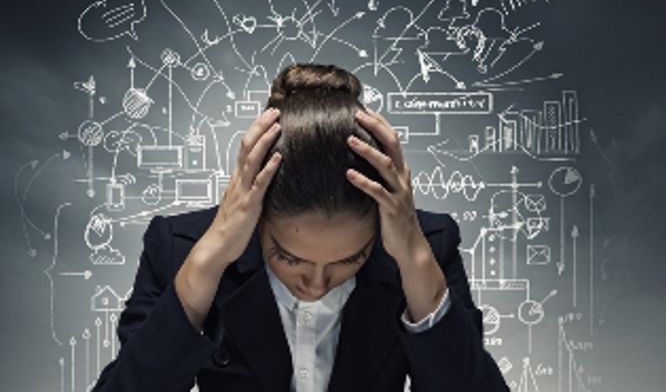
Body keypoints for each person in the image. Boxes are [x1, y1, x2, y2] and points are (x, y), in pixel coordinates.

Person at [92, 64, 510, 391]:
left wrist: (417, 262)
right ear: (256, 216)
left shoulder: (424, 251)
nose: (315, 285)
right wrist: (209, 258)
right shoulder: (180, 249)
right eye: (288, 257)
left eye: (350, 259)